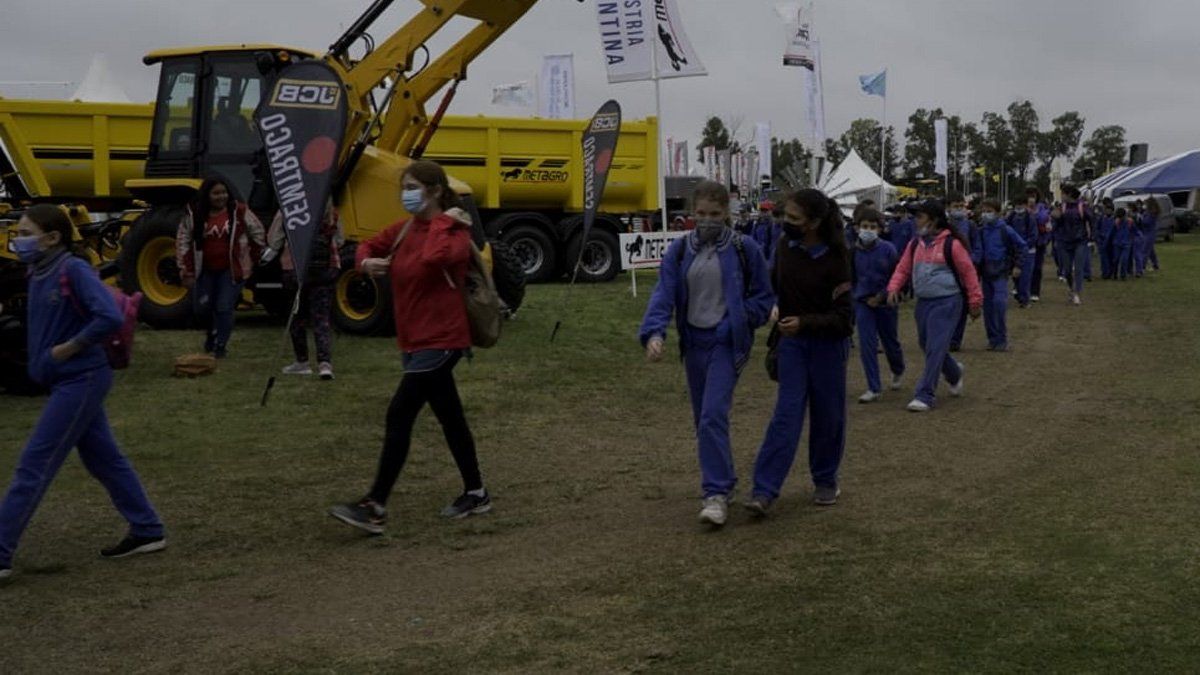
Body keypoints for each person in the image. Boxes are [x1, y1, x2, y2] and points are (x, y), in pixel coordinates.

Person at [0, 205, 166, 581]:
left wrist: (69, 347)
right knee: (103, 459)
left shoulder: (71, 269)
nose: (20, 240)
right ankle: (147, 529)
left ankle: (0, 552)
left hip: (81, 378)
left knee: (34, 464)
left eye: (26, 232)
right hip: (64, 380)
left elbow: (107, 314)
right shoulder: (37, 270)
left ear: (53, 237)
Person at [329, 161, 490, 533]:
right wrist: (367, 261)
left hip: (443, 339)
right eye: (404, 187)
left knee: (399, 415)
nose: (406, 194)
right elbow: (366, 245)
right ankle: (477, 492)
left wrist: (445, 221)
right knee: (451, 418)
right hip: (414, 340)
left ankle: (375, 505)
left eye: (413, 186)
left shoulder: (453, 232)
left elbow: (437, 258)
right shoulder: (407, 229)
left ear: (434, 191)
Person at [640, 181, 774, 527]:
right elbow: (663, 291)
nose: (707, 220)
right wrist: (654, 331)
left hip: (726, 343)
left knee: (713, 414)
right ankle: (725, 482)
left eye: (714, 214)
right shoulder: (680, 250)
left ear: (726, 214)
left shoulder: (746, 249)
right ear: (691, 213)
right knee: (704, 421)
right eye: (701, 214)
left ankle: (714, 493)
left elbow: (763, 297)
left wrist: (738, 321)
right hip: (693, 343)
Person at [747, 189, 853, 515]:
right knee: (786, 415)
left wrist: (805, 322)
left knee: (828, 415)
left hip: (829, 347)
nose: (785, 224)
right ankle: (763, 490)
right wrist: (769, 306)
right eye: (784, 217)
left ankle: (825, 479)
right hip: (791, 345)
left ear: (814, 222)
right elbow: (772, 285)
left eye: (793, 219)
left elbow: (844, 319)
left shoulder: (838, 258)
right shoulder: (784, 248)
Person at [886, 199, 983, 413]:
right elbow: (903, 268)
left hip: (948, 302)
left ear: (934, 220)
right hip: (923, 302)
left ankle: (925, 394)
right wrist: (893, 288)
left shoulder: (952, 245)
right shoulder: (915, 244)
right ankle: (954, 373)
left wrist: (975, 301)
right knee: (926, 343)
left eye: (919, 216)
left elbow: (969, 273)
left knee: (936, 346)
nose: (915, 221)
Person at [176, 177, 266, 358]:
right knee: (202, 308)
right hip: (205, 269)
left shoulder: (238, 211)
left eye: (223, 192)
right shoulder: (194, 214)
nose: (221, 197)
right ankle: (212, 333)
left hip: (232, 269)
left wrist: (257, 254)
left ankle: (220, 346)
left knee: (224, 306)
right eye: (216, 193)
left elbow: (257, 231)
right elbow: (183, 240)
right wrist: (185, 268)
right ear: (207, 195)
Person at [264, 201, 344, 380]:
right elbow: (339, 240)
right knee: (321, 318)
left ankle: (302, 362)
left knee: (297, 317)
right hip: (326, 268)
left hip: (294, 268)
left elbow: (274, 240)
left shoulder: (288, 208)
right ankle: (325, 364)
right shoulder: (331, 211)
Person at [851, 208, 904, 403]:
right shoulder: (853, 251)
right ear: (857, 228)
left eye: (873, 227)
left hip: (886, 303)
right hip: (863, 303)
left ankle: (897, 368)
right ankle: (873, 386)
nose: (868, 230)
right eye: (865, 226)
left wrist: (882, 296)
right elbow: (851, 278)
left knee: (890, 342)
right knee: (867, 344)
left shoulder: (889, 249)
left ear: (880, 229)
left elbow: (897, 276)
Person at [976, 200, 1027, 352]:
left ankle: (1001, 339)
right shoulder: (981, 230)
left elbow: (1022, 246)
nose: (986, 214)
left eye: (989, 211)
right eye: (984, 211)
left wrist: (1018, 265)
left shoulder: (1006, 230)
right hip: (986, 273)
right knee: (988, 308)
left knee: (999, 304)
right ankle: (992, 339)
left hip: (1001, 272)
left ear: (998, 213)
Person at [945, 193, 979, 351]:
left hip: (966, 272)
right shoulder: (943, 225)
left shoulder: (970, 226)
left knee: (962, 308)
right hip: (946, 271)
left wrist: (970, 262)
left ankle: (955, 340)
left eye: (961, 206)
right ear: (948, 208)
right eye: (955, 206)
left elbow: (978, 247)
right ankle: (946, 336)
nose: (958, 209)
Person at [1050, 186, 1092, 305]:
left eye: (1063, 194)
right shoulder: (1061, 207)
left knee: (1079, 268)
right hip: (1064, 242)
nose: (1062, 196)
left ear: (1069, 194)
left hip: (1080, 241)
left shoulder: (1082, 207)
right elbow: (1056, 224)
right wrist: (1055, 218)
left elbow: (1091, 219)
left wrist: (1092, 236)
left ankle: (1077, 293)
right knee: (1067, 270)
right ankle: (1071, 288)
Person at [1008, 198, 1039, 307]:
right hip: (1014, 251)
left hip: (1028, 251)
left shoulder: (1030, 218)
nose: (1019, 208)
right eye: (1017, 206)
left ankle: (1024, 299)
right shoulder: (1011, 217)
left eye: (1021, 205)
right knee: (1015, 276)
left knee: (1025, 277)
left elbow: (1034, 235)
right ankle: (1020, 294)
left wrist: (1024, 245)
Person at [1025, 188, 1052, 302]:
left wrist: (1033, 214)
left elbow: (1044, 219)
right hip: (1026, 242)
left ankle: (1035, 291)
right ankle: (1023, 289)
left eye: (1033, 196)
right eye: (1029, 196)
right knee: (1025, 267)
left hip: (1039, 242)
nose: (1031, 199)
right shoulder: (1022, 209)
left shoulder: (1042, 208)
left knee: (1037, 267)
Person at [1094, 199, 1116, 280]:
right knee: (1103, 258)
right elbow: (1097, 228)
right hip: (1102, 240)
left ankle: (1111, 272)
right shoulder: (1102, 218)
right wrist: (1098, 237)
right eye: (1106, 209)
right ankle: (1105, 273)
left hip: (1111, 241)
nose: (1107, 211)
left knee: (1111, 257)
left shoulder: (1114, 219)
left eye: (1109, 210)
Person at [1112, 208, 1135, 280]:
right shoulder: (1116, 222)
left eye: (1122, 217)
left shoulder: (1130, 222)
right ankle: (1115, 273)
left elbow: (1134, 231)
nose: (1121, 219)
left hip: (1126, 243)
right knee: (1116, 259)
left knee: (1124, 259)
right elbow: (1112, 232)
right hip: (1117, 243)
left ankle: (1123, 275)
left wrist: (1132, 239)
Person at [1141, 198, 1162, 273]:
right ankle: (1155, 265)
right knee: (1151, 251)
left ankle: (1142, 267)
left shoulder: (1152, 212)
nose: (1144, 205)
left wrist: (1141, 218)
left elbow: (1146, 222)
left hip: (1149, 233)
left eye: (1145, 204)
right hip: (1147, 233)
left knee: (1145, 251)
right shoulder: (1148, 212)